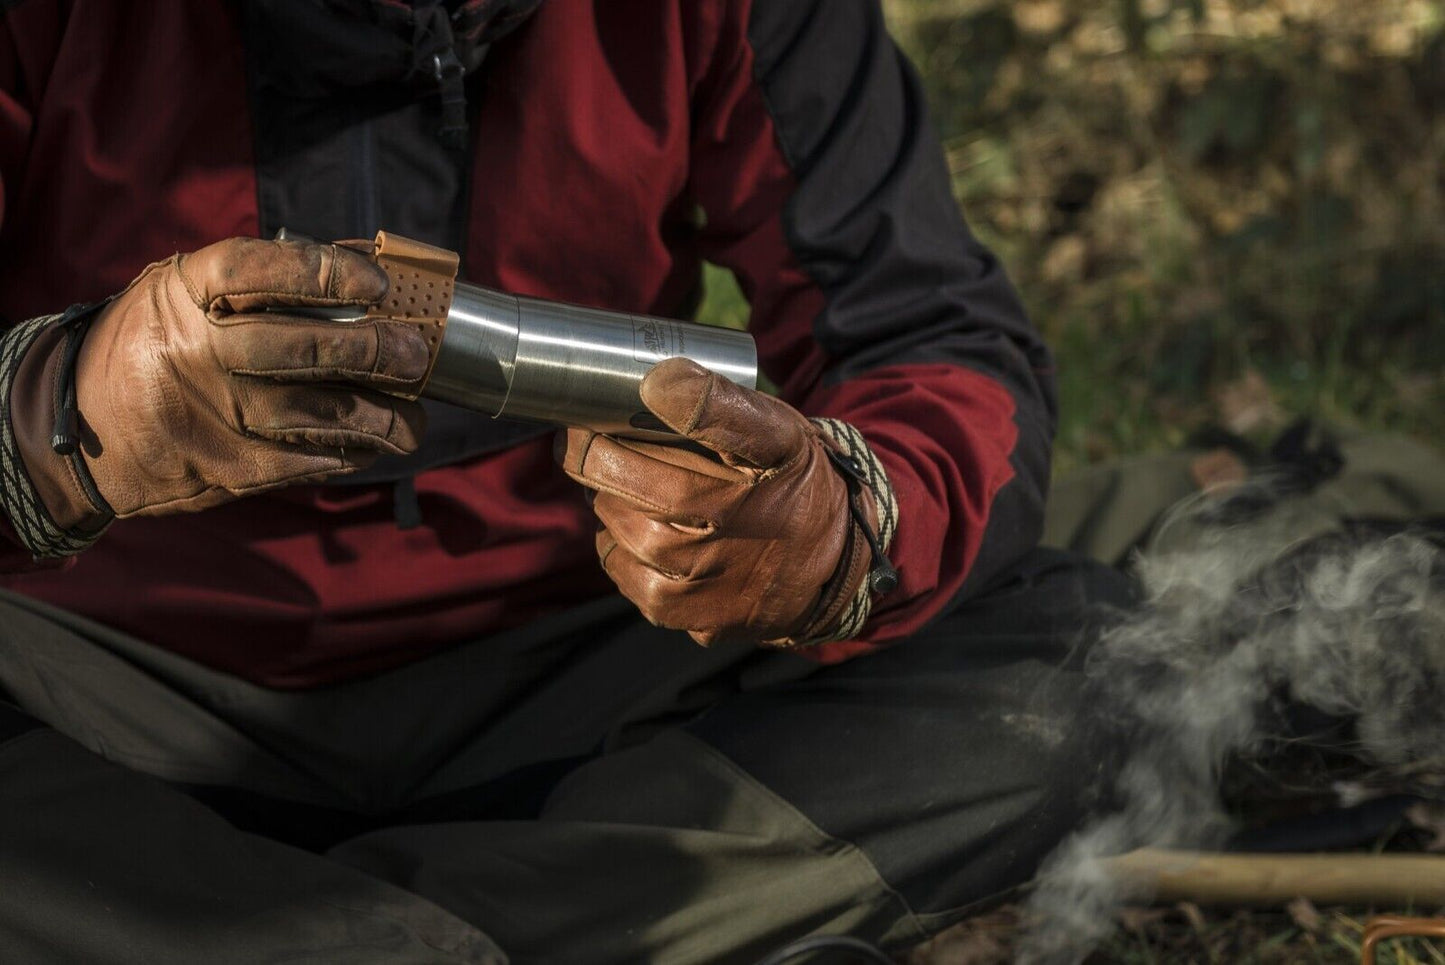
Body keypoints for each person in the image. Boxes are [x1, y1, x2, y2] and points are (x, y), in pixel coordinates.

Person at [0, 1, 1135, 962]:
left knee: (1080, 671)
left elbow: (936, 339)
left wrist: (837, 526)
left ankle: (311, 933)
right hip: (94, 677)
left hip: (580, 653)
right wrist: (55, 418)